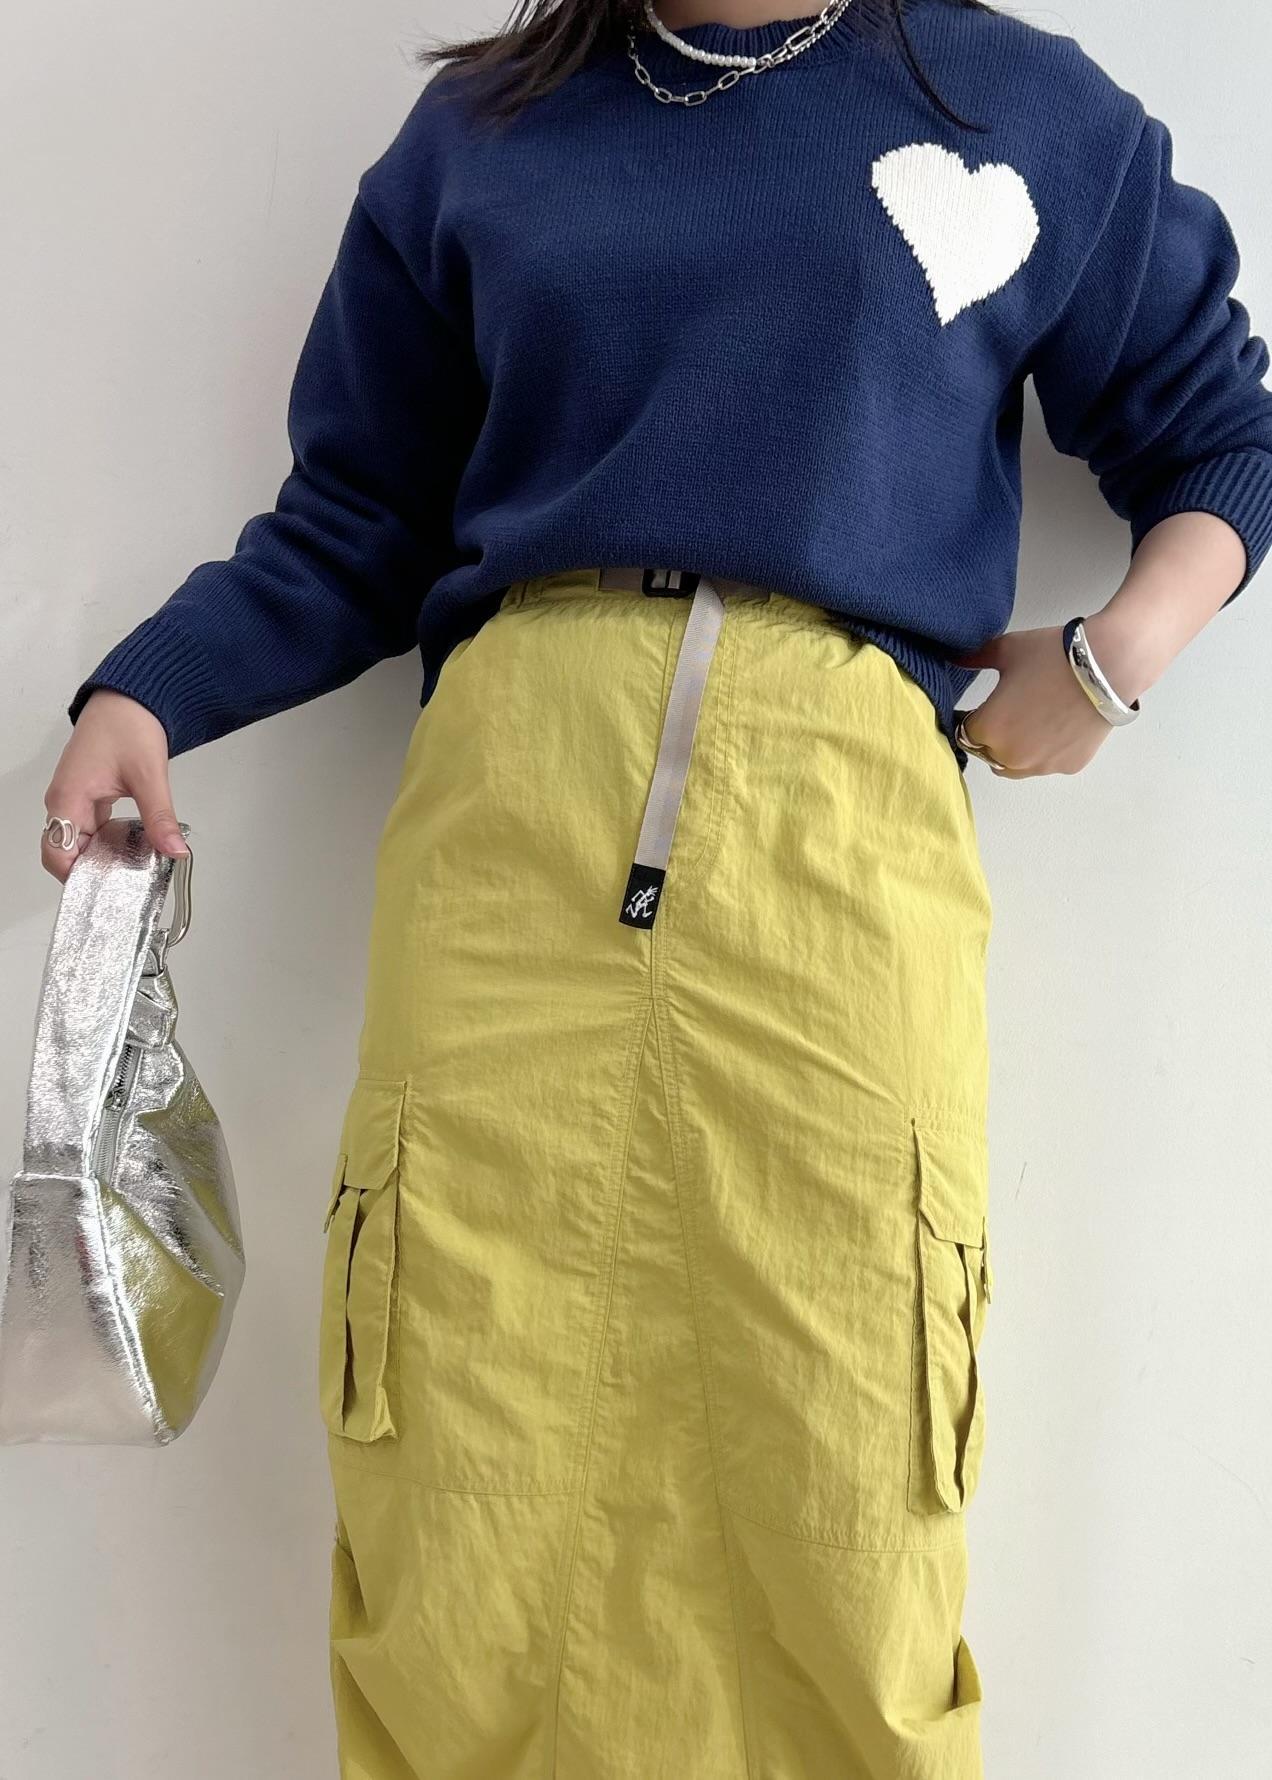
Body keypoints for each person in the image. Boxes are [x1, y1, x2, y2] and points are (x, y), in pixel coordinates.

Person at [40, 1, 1272, 1773]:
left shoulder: (1012, 105)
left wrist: (1108, 663)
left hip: (840, 867)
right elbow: (358, 517)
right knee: (461, 1449)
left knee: (845, 1454)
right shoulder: (487, 134)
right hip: (505, 849)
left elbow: (1219, 437)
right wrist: (151, 692)